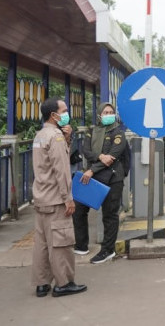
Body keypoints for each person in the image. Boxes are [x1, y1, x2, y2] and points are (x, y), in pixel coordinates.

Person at [32, 97, 87, 298]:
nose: (67, 113)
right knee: (61, 243)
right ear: (54, 115)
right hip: (56, 199)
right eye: (64, 110)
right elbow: (61, 170)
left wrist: (67, 138)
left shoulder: (40, 135)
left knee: (42, 243)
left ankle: (42, 283)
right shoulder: (54, 137)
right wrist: (68, 198)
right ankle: (64, 283)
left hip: (41, 197)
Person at [72, 102, 127, 265]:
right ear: (99, 115)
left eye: (111, 112)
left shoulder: (119, 133)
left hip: (112, 178)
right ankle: (81, 245)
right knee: (79, 210)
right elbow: (86, 150)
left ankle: (108, 250)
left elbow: (113, 156)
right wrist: (100, 157)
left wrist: (92, 169)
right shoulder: (91, 131)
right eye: (105, 112)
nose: (109, 114)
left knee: (109, 214)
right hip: (92, 178)